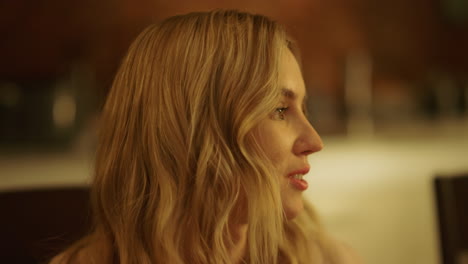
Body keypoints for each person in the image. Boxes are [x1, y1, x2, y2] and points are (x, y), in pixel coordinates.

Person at [51, 9, 361, 264]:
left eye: (303, 109)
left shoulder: (325, 258)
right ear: (192, 130)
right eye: (280, 110)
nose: (315, 142)